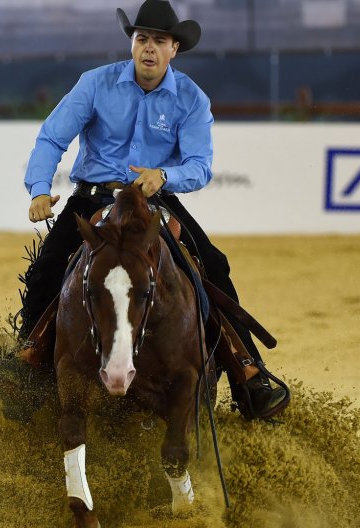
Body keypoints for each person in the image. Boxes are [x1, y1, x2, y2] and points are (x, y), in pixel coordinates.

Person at [17, 0, 288, 420]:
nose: (149, 48)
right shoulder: (95, 84)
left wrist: (163, 176)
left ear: (174, 49)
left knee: (214, 266)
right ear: (132, 44)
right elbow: (52, 138)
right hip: (94, 198)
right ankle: (28, 362)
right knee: (47, 270)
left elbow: (199, 166)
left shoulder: (192, 100)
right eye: (142, 38)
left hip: (155, 201)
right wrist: (38, 190)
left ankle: (247, 374)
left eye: (159, 41)